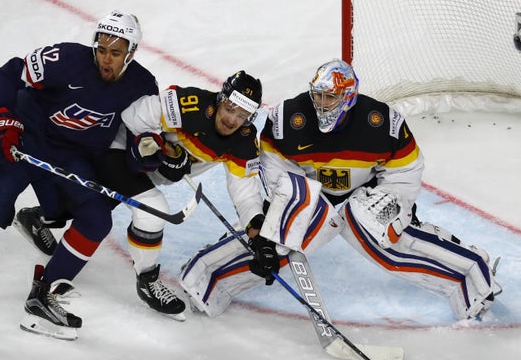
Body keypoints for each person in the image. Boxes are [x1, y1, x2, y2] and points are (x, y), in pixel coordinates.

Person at [0, 10, 172, 344]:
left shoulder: (142, 86)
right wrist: (3, 116)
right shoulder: (65, 59)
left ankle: (43, 298)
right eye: (101, 49)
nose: (105, 58)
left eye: (114, 52)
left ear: (131, 53)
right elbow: (9, 74)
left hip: (69, 153)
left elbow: (137, 135)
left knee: (95, 221)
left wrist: (146, 151)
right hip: (22, 136)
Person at [180, 59, 501, 321]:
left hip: (367, 195)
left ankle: (471, 275)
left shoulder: (381, 123)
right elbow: (273, 165)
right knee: (276, 237)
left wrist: (395, 203)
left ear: (348, 96)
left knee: (380, 234)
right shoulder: (287, 119)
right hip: (312, 192)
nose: (320, 103)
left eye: (329, 97)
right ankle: (205, 278)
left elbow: (406, 169)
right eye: (317, 95)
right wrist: (285, 207)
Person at [14, 71, 281, 315]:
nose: (232, 119)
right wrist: (160, 146)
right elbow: (133, 116)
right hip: (118, 149)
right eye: (230, 108)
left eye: (242, 115)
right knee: (153, 212)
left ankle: (39, 218)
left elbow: (245, 191)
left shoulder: (243, 142)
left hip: (147, 170)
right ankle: (147, 281)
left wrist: (258, 237)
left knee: (98, 203)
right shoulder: (188, 104)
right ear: (221, 98)